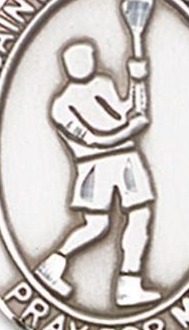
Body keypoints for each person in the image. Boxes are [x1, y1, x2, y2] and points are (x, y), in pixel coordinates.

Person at [36, 40, 161, 306]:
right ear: (67, 65)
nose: (85, 64)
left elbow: (127, 112)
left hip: (126, 159)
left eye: (89, 57)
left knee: (140, 215)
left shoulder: (104, 84)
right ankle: (52, 265)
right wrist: (132, 129)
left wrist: (137, 79)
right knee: (97, 225)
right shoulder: (61, 105)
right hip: (96, 164)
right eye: (78, 60)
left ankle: (129, 283)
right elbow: (95, 139)